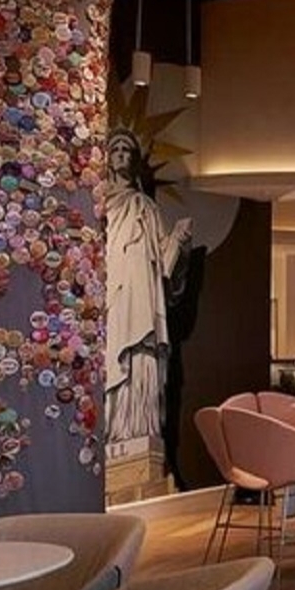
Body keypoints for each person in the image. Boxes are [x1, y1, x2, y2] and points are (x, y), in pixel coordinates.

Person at [102, 131, 191, 448]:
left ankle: (138, 433)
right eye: (116, 149)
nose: (121, 154)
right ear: (108, 158)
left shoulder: (146, 206)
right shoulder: (102, 208)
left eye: (127, 149)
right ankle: (113, 433)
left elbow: (164, 266)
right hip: (112, 295)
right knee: (115, 353)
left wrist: (179, 240)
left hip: (142, 295)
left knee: (140, 353)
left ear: (135, 160)